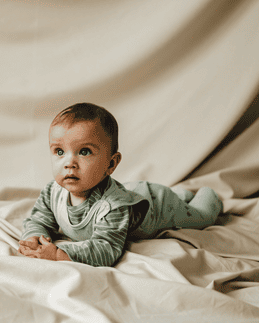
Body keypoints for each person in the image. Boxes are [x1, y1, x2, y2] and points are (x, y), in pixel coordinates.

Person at [18, 103, 223, 267]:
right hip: (131, 191)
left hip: (159, 206)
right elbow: (39, 219)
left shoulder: (114, 207)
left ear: (111, 164)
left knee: (201, 216)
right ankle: (182, 193)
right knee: (134, 192)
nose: (69, 163)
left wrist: (58, 254)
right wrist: (34, 238)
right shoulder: (52, 192)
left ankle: (207, 193)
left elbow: (106, 249)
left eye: (84, 151)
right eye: (59, 151)